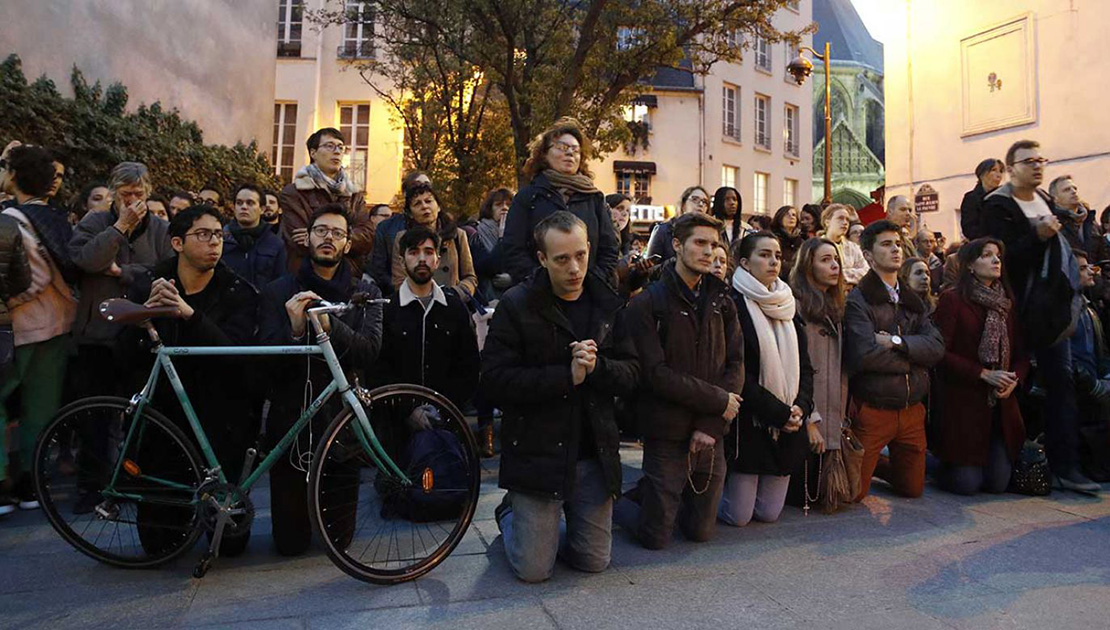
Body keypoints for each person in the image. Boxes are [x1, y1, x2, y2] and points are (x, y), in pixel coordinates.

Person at [483, 211, 639, 582]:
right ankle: (511, 514)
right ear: (542, 259)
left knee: (593, 561)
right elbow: (493, 381)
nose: (575, 268)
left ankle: (547, 525)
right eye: (562, 259)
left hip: (592, 453)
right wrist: (564, 377)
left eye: (581, 255)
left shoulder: (607, 301)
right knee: (534, 570)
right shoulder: (517, 303)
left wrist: (597, 369)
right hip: (538, 452)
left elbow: (633, 373)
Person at [124, 205, 259, 554]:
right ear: (178, 242)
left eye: (219, 235)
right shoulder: (150, 282)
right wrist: (144, 320)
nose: (214, 243)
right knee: (158, 544)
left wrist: (190, 315)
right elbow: (120, 356)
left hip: (221, 414)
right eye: (204, 234)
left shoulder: (237, 290)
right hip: (165, 416)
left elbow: (237, 357)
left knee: (231, 546)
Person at [258, 203, 383, 556]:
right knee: (290, 545)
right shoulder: (277, 291)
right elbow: (266, 365)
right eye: (321, 231)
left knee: (340, 540)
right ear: (307, 239)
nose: (329, 239)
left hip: (341, 425)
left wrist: (331, 326)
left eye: (338, 233)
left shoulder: (366, 293)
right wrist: (296, 332)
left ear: (348, 244)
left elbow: (369, 352)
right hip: (291, 425)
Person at [625, 212, 743, 549]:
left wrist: (711, 422)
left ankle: (659, 494)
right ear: (677, 245)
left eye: (714, 245)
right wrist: (718, 401)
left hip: (711, 430)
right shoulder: (648, 302)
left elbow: (736, 364)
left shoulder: (722, 299)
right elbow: (655, 374)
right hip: (667, 430)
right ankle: (621, 502)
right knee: (655, 537)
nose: (709, 252)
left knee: (700, 532)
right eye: (700, 243)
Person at [982, 139, 1092, 493]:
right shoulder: (997, 205)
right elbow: (1000, 259)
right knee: (1018, 385)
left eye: (1040, 160)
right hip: (1017, 310)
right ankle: (1018, 463)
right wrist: (1037, 235)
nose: (1037, 166)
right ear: (1011, 167)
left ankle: (1065, 466)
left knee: (1062, 385)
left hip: (1052, 314)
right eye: (1028, 161)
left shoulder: (1045, 199)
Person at [0, 145, 78, 512]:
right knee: (41, 408)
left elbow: (29, 278)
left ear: (14, 176)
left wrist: (11, 302)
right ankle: (33, 485)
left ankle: (2, 485)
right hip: (59, 323)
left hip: (19, 327)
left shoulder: (10, 218)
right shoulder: (57, 217)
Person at [844, 220, 944, 501]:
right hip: (875, 410)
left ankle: (879, 465)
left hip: (912, 410)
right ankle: (867, 463)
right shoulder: (859, 300)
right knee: (853, 495)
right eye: (886, 245)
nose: (895, 250)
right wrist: (915, 359)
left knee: (912, 490)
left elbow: (936, 347)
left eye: (898, 244)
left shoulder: (912, 299)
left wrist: (897, 342)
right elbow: (864, 355)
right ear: (868, 255)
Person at [719, 232, 813, 527]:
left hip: (788, 421)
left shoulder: (788, 303)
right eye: (764, 255)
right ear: (745, 263)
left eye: (777, 255)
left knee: (769, 514)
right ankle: (697, 497)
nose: (773, 261)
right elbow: (737, 373)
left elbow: (806, 366)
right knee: (739, 516)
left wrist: (801, 407)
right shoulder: (733, 304)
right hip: (752, 420)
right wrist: (778, 413)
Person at [69, 161, 172, 401]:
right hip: (98, 333)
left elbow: (167, 271)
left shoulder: (162, 230)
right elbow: (85, 260)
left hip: (142, 334)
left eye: (138, 194)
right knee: (96, 410)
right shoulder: (94, 222)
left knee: (138, 408)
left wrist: (123, 271)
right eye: (126, 194)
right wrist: (120, 226)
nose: (132, 200)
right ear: (114, 195)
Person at [933, 238, 1027, 495]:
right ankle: (935, 465)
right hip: (965, 402)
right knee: (967, 485)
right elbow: (940, 352)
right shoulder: (953, 299)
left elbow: (1021, 354)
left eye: (998, 256)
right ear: (970, 265)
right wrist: (983, 374)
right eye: (987, 255)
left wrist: (1013, 380)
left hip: (1000, 405)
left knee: (997, 485)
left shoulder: (1006, 301)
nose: (996, 261)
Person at [503, 119, 620, 285]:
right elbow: (513, 249)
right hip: (540, 296)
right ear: (544, 154)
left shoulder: (594, 198)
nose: (570, 153)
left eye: (575, 150)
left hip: (587, 295)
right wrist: (543, 283)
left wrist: (591, 283)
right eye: (563, 148)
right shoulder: (528, 197)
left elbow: (609, 248)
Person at [375, 225, 480, 408]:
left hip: (448, 417)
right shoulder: (387, 310)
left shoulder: (454, 308)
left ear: (437, 261)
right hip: (396, 424)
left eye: (428, 252)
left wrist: (443, 408)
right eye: (414, 252)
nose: (422, 259)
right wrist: (408, 412)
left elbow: (468, 368)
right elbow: (380, 373)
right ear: (402, 261)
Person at [787, 237, 847, 508]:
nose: (834, 266)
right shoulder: (795, 304)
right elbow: (793, 366)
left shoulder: (837, 305)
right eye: (826, 260)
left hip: (835, 405)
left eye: (836, 260)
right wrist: (809, 418)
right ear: (808, 265)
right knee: (802, 495)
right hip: (805, 409)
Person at [280, 127, 372, 273]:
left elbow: (368, 237)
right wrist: (345, 236)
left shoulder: (354, 194)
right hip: (307, 276)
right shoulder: (294, 192)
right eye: (329, 146)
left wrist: (320, 234)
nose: (336, 151)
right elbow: (299, 241)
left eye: (341, 148)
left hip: (348, 277)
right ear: (313, 153)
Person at [389, 183, 477, 299]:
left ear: (438, 206)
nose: (424, 207)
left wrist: (455, 294)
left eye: (428, 201)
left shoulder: (457, 235)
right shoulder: (402, 238)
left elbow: (470, 277)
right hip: (417, 304)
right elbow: (398, 279)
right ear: (410, 213)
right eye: (417, 203)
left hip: (452, 304)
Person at [1067, 250, 1110, 482]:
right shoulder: (1065, 310)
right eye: (1083, 268)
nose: (1090, 272)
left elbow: (1100, 352)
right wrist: (1093, 384)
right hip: (1079, 387)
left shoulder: (1088, 308)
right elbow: (1064, 360)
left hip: (1093, 378)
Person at [369, 170, 431, 295]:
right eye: (417, 185)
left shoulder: (447, 228)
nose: (422, 189)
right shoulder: (387, 228)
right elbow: (379, 268)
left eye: (427, 185)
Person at [221, 183, 287, 290]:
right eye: (239, 203)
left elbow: (280, 283)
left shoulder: (275, 244)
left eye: (250, 203)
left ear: (262, 209)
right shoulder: (221, 239)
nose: (244, 207)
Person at [645, 186, 710, 263]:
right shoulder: (663, 230)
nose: (700, 204)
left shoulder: (709, 234)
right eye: (695, 199)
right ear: (683, 205)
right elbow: (650, 266)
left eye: (704, 202)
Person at [472, 188, 514, 304]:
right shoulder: (476, 234)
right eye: (499, 205)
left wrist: (513, 278)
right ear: (490, 209)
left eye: (509, 205)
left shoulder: (520, 234)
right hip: (487, 299)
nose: (505, 208)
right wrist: (501, 237)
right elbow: (488, 267)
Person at [820, 203, 868, 286]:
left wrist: (842, 274)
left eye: (847, 220)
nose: (845, 223)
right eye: (840, 218)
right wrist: (852, 272)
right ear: (827, 222)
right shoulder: (817, 246)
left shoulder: (853, 247)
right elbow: (819, 273)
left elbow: (866, 271)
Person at [960, 158, 1005, 240]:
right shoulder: (971, 198)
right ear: (982, 174)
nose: (998, 175)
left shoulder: (1005, 197)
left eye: (1001, 171)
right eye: (993, 170)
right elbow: (969, 228)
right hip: (982, 244)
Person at [1049, 175, 1096, 253]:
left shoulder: (1090, 219)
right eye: (1067, 190)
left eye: (1075, 188)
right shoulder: (1053, 222)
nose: (1073, 191)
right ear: (1055, 199)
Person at [770, 205, 804, 275]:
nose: (791, 217)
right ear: (779, 218)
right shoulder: (773, 239)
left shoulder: (801, 242)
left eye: (794, 215)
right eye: (786, 214)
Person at [886, 196, 919, 261]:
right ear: (890, 211)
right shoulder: (881, 237)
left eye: (910, 210)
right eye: (903, 209)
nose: (908, 213)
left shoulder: (907, 242)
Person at [914, 229, 944, 294]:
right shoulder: (912, 260)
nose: (929, 244)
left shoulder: (936, 261)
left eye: (932, 241)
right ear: (917, 243)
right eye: (925, 241)